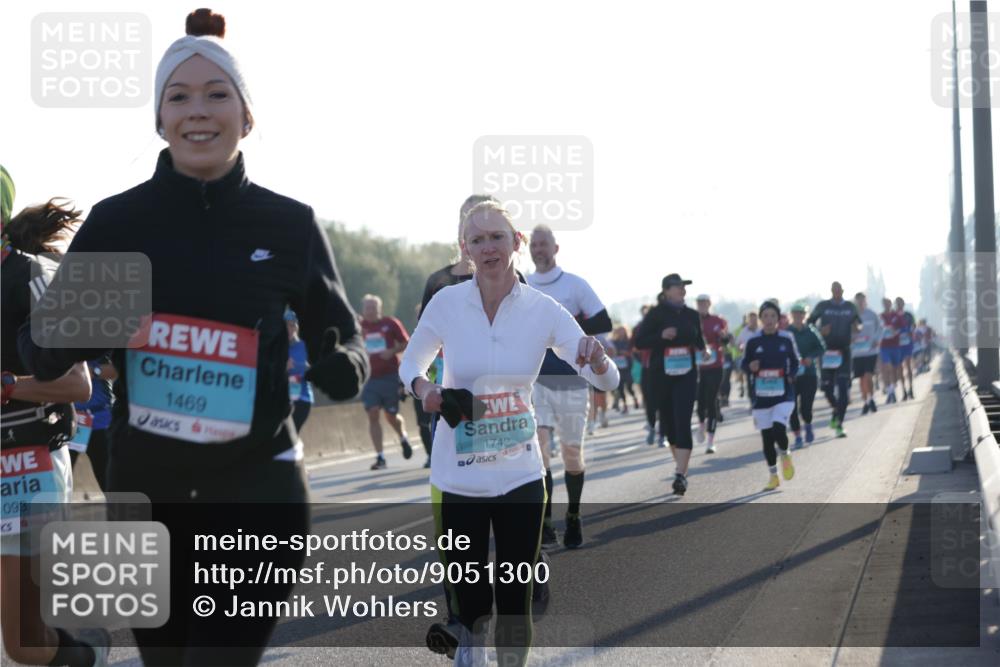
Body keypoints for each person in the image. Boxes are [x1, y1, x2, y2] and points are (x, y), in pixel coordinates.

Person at [15, 11, 369, 665]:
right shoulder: (120, 222)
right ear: (159, 117)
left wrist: (341, 362)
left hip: (259, 488)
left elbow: (343, 337)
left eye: (217, 93)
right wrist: (81, 325)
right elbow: (39, 351)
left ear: (247, 114)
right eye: (178, 96)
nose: (197, 111)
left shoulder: (288, 224)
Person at [399, 200, 618, 667]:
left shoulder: (543, 309)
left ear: (516, 243)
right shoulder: (446, 303)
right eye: (477, 240)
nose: (488, 247)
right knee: (472, 600)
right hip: (458, 475)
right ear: (465, 250)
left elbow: (606, 379)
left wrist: (597, 360)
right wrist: (426, 389)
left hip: (520, 475)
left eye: (497, 237)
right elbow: (410, 363)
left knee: (515, 599)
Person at [2, 193, 106, 667]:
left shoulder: (32, 276)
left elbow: (75, 382)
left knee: (23, 643)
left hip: (22, 467)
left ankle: (85, 658)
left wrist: (6, 388)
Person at [527, 224, 612, 549]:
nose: (539, 250)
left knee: (571, 454)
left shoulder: (575, 285)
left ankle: (573, 514)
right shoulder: (523, 286)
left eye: (544, 244)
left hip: (573, 381)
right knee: (540, 450)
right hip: (536, 381)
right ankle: (546, 523)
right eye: (534, 245)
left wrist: (563, 331)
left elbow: (604, 322)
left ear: (555, 248)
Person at [634, 274, 706, 495]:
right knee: (669, 426)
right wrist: (661, 335)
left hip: (686, 374)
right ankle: (681, 466)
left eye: (684, 286)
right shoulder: (656, 314)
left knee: (683, 420)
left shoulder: (692, 315)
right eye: (678, 286)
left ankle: (680, 474)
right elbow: (639, 341)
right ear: (666, 290)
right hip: (661, 375)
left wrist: (705, 350)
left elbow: (699, 341)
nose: (683, 289)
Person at [743, 301, 799, 490]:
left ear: (778, 319)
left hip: (784, 394)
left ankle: (785, 454)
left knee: (778, 429)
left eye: (772, 316)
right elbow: (744, 364)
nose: (769, 320)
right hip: (761, 396)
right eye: (765, 316)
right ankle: (773, 475)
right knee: (767, 439)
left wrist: (791, 375)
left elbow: (795, 361)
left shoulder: (786, 338)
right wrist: (750, 367)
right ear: (760, 319)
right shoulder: (753, 341)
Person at [359, 294, 413, 470]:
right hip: (368, 378)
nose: (370, 311)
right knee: (373, 413)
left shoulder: (390, 323)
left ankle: (403, 436)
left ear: (379, 309)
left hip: (390, 376)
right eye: (367, 308)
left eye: (373, 308)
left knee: (391, 416)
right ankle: (380, 457)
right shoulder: (359, 327)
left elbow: (406, 342)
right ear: (363, 309)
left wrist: (391, 351)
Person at [807, 282, 861, 438]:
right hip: (827, 351)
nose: (837, 292)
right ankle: (836, 411)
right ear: (831, 291)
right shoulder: (823, 306)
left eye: (839, 290)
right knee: (827, 389)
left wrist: (857, 328)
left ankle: (839, 424)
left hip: (844, 351)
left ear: (843, 291)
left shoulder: (850, 307)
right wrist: (819, 330)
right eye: (834, 290)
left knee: (843, 389)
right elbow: (809, 323)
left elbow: (859, 324)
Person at [68, 357, 115, 493]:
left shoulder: (101, 338)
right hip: (68, 420)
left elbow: (118, 369)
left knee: (111, 486)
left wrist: (92, 371)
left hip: (100, 421)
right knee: (58, 488)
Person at [786, 303, 825, 447]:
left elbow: (821, 347)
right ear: (792, 315)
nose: (798, 316)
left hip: (809, 374)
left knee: (806, 408)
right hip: (792, 375)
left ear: (805, 315)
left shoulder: (811, 331)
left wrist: (811, 357)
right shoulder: (787, 332)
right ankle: (797, 436)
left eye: (801, 313)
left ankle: (808, 425)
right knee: (792, 408)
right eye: (795, 313)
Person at [694, 295, 728, 454]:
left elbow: (726, 340)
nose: (702, 306)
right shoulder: (692, 319)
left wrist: (724, 338)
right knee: (700, 401)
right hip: (698, 367)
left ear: (709, 304)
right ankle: (701, 424)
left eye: (704, 303)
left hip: (715, 366)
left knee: (711, 400)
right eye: (699, 303)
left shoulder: (718, 320)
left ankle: (710, 441)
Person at [851, 292, 882, 415]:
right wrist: (851, 338)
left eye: (862, 300)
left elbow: (880, 328)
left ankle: (871, 399)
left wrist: (876, 340)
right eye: (858, 301)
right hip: (857, 352)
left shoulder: (872, 314)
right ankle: (866, 402)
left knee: (869, 376)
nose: (860, 303)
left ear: (866, 301)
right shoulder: (852, 316)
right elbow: (848, 331)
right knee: (862, 379)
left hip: (871, 351)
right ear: (855, 302)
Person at [285, 310, 314, 433]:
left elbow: (312, 370)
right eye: (285, 326)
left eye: (292, 325)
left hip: (301, 399)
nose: (289, 329)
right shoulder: (276, 346)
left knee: (290, 436)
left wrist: (298, 366)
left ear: (296, 327)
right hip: (281, 399)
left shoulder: (304, 346)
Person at [609, 325, 640, 414]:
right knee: (620, 388)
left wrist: (627, 353)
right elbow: (611, 351)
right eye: (619, 331)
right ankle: (625, 406)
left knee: (630, 386)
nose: (621, 333)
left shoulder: (629, 341)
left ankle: (635, 398)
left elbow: (634, 351)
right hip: (617, 368)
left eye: (622, 331)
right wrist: (618, 352)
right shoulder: (613, 342)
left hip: (628, 368)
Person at [879, 297, 904, 404]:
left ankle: (893, 391)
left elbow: (903, 327)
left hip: (895, 345)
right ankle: (890, 392)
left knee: (895, 369)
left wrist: (896, 331)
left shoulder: (896, 316)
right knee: (887, 368)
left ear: (891, 304)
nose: (886, 305)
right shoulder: (880, 317)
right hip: (884, 346)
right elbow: (876, 329)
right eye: (884, 304)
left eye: (888, 303)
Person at [894, 297, 916, 400]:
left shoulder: (908, 315)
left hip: (907, 344)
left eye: (900, 303)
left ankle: (911, 389)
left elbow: (913, 327)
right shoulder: (893, 315)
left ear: (903, 304)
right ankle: (904, 392)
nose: (899, 305)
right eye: (897, 303)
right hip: (897, 345)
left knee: (908, 366)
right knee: (900, 368)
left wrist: (910, 332)